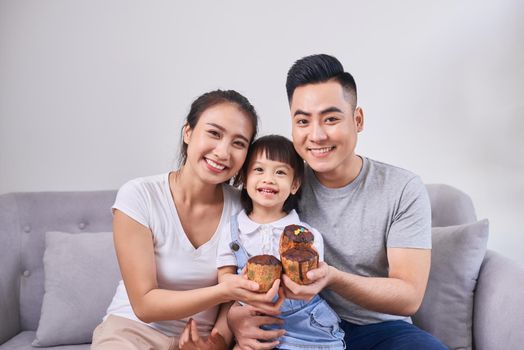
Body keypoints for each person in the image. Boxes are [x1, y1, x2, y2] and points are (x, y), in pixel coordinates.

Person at [227, 54, 448, 350]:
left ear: (357, 120)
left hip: (380, 329)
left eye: (331, 119)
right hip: (296, 327)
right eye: (303, 121)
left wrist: (331, 278)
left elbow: (409, 296)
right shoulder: (279, 184)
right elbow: (235, 255)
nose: (317, 135)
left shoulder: (401, 188)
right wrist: (234, 318)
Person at [91, 90, 283, 350]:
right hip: (132, 333)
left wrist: (218, 341)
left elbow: (236, 292)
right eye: (214, 133)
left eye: (238, 143)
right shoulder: (139, 195)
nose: (223, 152)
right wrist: (226, 290)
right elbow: (144, 305)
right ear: (188, 132)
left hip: (203, 342)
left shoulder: (244, 207)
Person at [217, 134, 345, 350]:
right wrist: (242, 291)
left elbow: (313, 283)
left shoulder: (308, 235)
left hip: (307, 327)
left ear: (294, 184)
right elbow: (224, 278)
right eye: (259, 170)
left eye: (280, 172)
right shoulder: (232, 231)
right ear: (244, 179)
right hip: (253, 323)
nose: (268, 178)